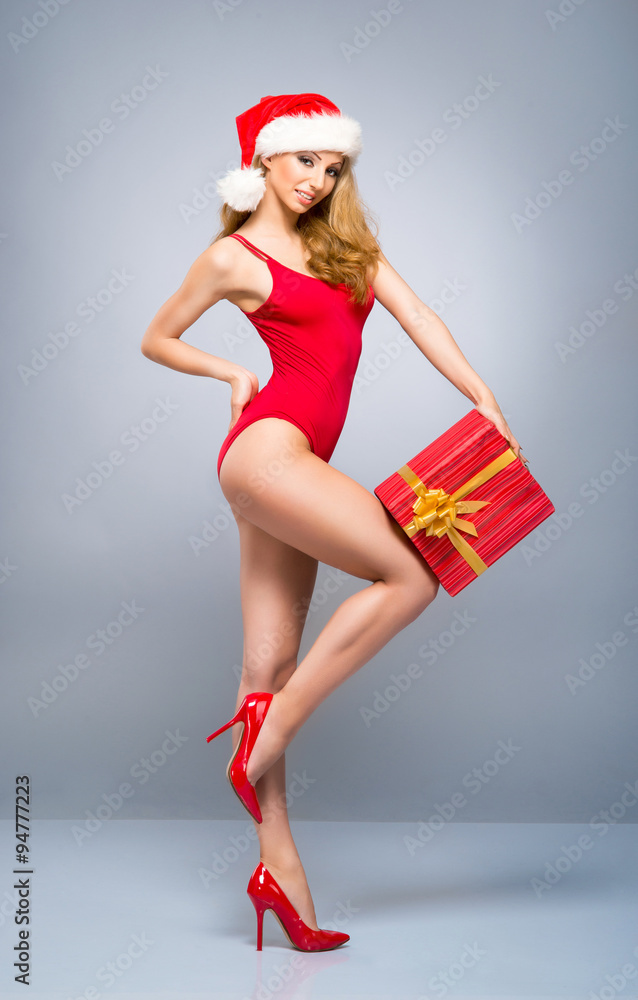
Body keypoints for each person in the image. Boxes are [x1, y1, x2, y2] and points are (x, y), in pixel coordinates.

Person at [141, 92, 526, 952]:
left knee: (267, 665)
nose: (317, 180)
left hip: (293, 465)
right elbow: (156, 337)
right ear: (264, 161)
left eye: (332, 166)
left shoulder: (347, 250)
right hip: (267, 453)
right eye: (304, 160)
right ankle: (265, 737)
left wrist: (483, 396)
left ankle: (280, 876)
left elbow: (418, 315)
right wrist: (232, 376)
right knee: (413, 574)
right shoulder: (234, 257)